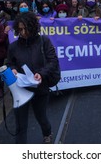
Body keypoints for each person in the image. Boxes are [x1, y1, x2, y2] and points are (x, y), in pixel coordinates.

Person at [7, 12, 60, 144]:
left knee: (41, 116)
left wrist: (41, 74)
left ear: (33, 27)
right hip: (20, 89)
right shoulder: (13, 46)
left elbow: (52, 61)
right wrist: (12, 69)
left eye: (26, 29)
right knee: (20, 123)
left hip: (40, 88)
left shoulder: (44, 41)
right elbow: (9, 63)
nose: (23, 32)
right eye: (20, 29)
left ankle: (47, 132)